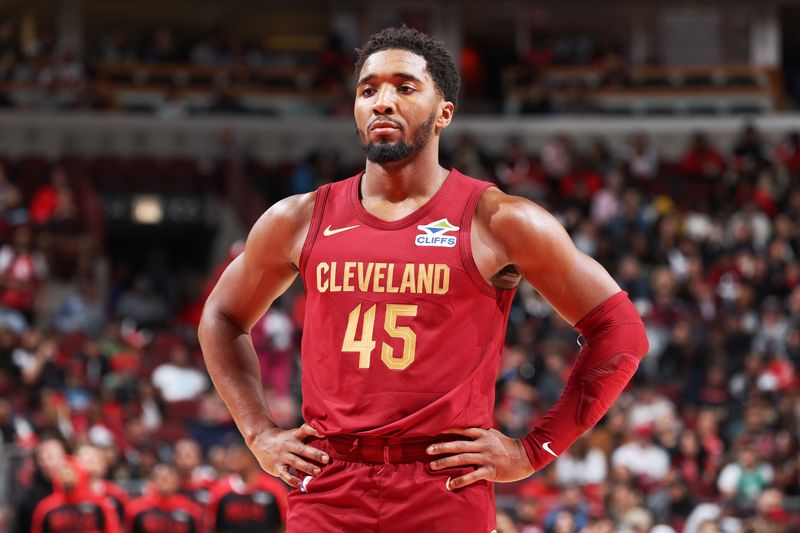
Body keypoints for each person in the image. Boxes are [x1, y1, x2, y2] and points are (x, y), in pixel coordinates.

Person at [199, 25, 648, 532]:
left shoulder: (500, 220)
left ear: (444, 113)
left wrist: (534, 450)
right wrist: (258, 433)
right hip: (328, 483)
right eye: (368, 89)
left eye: (404, 87)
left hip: (443, 485)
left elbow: (621, 331)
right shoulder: (299, 217)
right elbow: (221, 316)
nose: (382, 102)